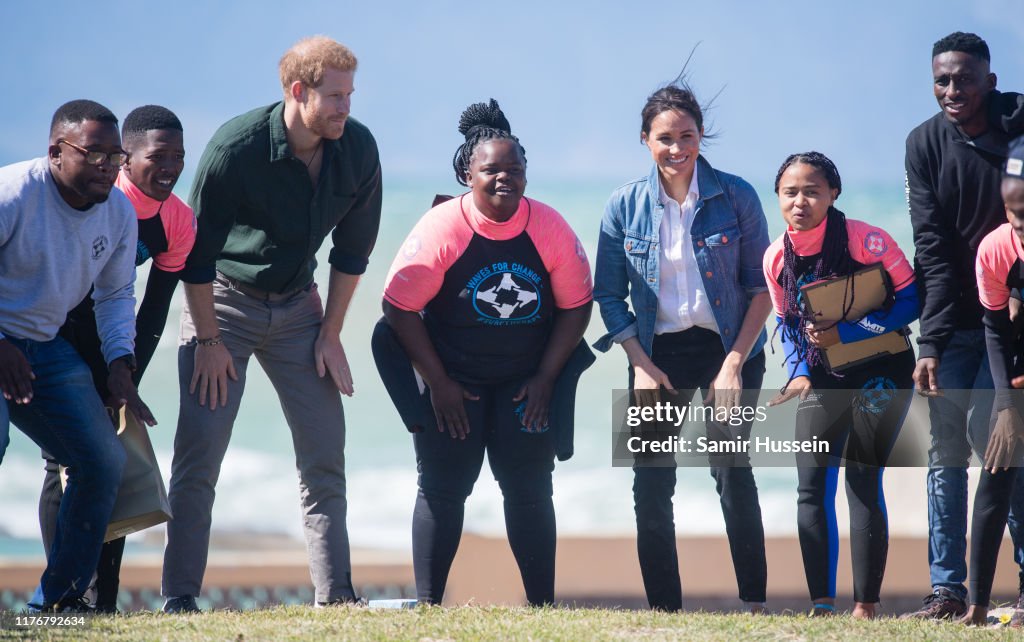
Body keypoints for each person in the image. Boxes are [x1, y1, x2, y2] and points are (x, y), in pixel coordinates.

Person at [161, 36, 382, 613]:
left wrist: (330, 333)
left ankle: (335, 597)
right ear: (297, 91)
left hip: (299, 309)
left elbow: (352, 255)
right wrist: (207, 339)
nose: (345, 107)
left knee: (324, 453)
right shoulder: (235, 148)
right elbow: (195, 255)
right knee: (199, 456)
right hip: (225, 306)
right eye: (334, 96)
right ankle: (180, 597)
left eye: (350, 95)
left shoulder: (357, 149)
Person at [378, 99, 592, 606]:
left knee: (530, 488)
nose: (504, 178)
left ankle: (543, 607)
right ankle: (429, 606)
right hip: (454, 379)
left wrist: (545, 379)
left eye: (514, 169)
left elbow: (576, 307)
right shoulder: (443, 227)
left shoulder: (550, 227)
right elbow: (398, 308)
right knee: (443, 487)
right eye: (490, 169)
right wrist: (440, 384)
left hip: (526, 381)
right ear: (467, 173)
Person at [593, 83, 771, 613]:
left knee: (731, 469)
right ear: (645, 140)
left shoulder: (736, 196)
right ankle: (665, 611)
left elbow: (762, 289)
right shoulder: (623, 204)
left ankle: (754, 606)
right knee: (650, 485)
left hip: (729, 348)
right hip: (654, 354)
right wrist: (640, 365)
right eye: (665, 137)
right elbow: (608, 293)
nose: (677, 148)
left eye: (687, 136)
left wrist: (734, 364)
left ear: (700, 136)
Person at [35, 105, 195, 613]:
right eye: (157, 156)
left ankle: (102, 600)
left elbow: (152, 309)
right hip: (57, 332)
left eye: (179, 156)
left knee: (113, 460)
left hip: (113, 344)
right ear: (126, 159)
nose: (170, 167)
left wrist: (123, 374)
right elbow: (69, 292)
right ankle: (64, 597)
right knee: (61, 460)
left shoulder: (178, 222)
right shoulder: (104, 197)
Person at [0, 99, 154, 611]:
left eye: (116, 157)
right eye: (94, 154)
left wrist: (119, 366)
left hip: (43, 347)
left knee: (101, 459)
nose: (109, 167)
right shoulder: (13, 195)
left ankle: (56, 603)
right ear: (55, 152)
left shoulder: (118, 213)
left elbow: (114, 297)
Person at [764, 152, 919, 618]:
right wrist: (799, 372)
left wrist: (848, 332)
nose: (800, 201)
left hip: (883, 370)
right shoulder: (776, 257)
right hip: (823, 375)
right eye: (790, 192)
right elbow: (787, 323)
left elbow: (912, 298)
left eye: (812, 191)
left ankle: (865, 606)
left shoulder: (867, 240)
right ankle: (822, 605)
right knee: (811, 487)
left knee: (862, 478)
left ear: (834, 194)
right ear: (778, 198)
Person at [903, 31, 1024, 619]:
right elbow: (931, 247)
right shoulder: (924, 143)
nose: (952, 90)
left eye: (965, 79)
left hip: (1013, 316)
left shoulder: (1015, 126)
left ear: (990, 81)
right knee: (944, 451)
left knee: (1011, 445)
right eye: (942, 80)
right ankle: (947, 591)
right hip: (953, 323)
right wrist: (929, 341)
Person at [963, 135, 1024, 627]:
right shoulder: (998, 248)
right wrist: (1006, 402)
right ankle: (978, 605)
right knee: (998, 465)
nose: (1019, 223)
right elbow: (996, 330)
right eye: (1012, 211)